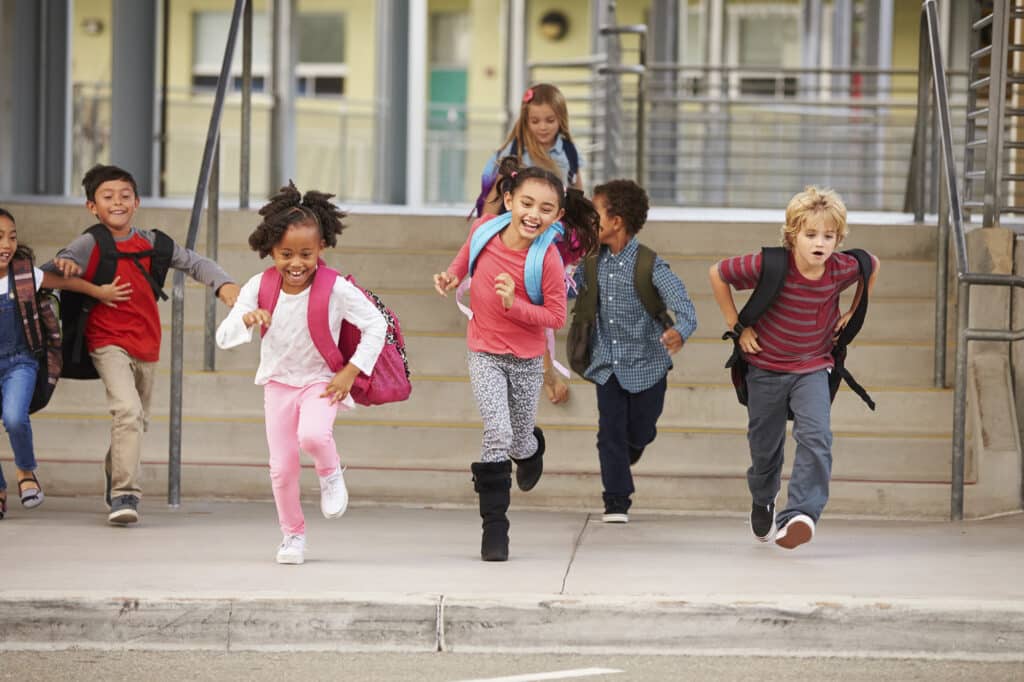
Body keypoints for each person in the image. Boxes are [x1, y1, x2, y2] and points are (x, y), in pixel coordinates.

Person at [43, 164, 241, 526]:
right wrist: (69, 267)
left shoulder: (153, 243)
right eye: (107, 197)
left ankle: (113, 467)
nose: (117, 202)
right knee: (128, 412)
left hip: (147, 343)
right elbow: (49, 272)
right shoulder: (90, 242)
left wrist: (223, 285)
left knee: (138, 420)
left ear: (137, 201)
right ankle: (125, 493)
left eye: (124, 196)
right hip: (106, 342)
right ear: (92, 207)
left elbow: (194, 262)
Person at [434, 162, 598, 562]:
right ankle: (495, 527)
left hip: (525, 360)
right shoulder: (484, 229)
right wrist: (452, 277)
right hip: (484, 352)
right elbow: (464, 258)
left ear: (558, 216)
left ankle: (531, 450)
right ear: (509, 200)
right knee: (497, 432)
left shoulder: (548, 262)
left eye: (545, 208)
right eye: (526, 203)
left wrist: (516, 304)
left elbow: (555, 318)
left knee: (518, 438)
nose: (533, 214)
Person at [216, 183, 387, 565]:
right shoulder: (259, 286)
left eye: (306, 254)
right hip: (278, 384)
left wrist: (350, 372)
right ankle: (293, 535)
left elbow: (377, 325)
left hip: (320, 380)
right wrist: (246, 318)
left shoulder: (336, 288)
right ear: (270, 250)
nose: (296, 263)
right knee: (281, 469)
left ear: (322, 247)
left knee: (313, 435)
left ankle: (330, 472)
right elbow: (224, 337)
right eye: (285, 254)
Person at [708, 186, 879, 550]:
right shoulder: (771, 263)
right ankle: (763, 497)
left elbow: (871, 265)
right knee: (764, 448)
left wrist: (853, 311)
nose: (820, 243)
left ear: (838, 239)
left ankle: (800, 514)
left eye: (829, 236)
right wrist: (738, 326)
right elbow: (717, 274)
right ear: (793, 235)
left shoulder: (839, 268)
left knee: (816, 437)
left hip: (813, 367)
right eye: (811, 234)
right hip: (765, 368)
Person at [571, 180, 697, 523]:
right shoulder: (590, 262)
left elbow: (685, 308)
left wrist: (679, 331)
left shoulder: (650, 265)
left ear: (616, 221)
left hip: (647, 366)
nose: (590, 223)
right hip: (607, 364)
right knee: (609, 431)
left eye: (595, 215)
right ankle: (616, 500)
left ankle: (636, 444)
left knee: (640, 431)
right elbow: (566, 289)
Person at [0, 207, 130, 519]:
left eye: (11, 237)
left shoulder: (24, 273)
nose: (6, 244)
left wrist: (100, 291)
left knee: (15, 417)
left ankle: (26, 472)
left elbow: (67, 283)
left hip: (21, 360)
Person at [476, 84, 586, 405]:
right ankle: (546, 370)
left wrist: (584, 233)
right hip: (520, 240)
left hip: (555, 237)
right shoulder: (512, 155)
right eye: (535, 121)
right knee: (533, 302)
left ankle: (535, 363)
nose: (542, 127)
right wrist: (481, 242)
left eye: (549, 120)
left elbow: (577, 192)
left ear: (560, 119)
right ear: (525, 121)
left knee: (542, 305)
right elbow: (493, 199)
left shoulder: (568, 152)